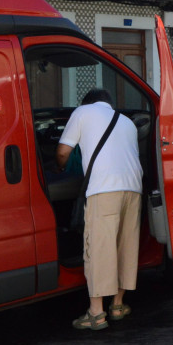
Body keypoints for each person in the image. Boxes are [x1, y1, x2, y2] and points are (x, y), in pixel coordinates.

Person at [56, 88, 144, 330]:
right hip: (134, 187)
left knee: (98, 248)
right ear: (108, 103)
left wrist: (60, 169)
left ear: (88, 103)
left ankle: (96, 313)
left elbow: (63, 152)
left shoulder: (82, 112)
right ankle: (117, 305)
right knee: (125, 245)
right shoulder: (126, 122)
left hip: (104, 189)